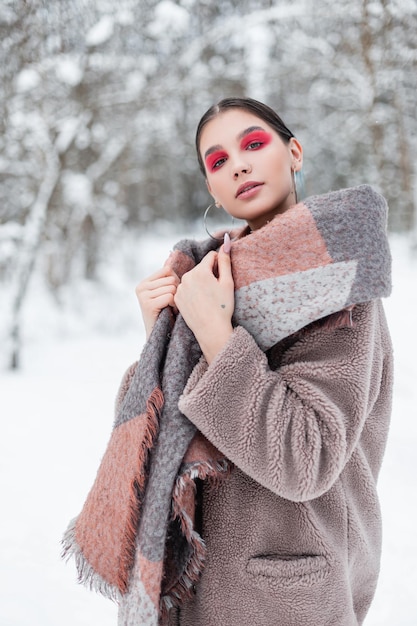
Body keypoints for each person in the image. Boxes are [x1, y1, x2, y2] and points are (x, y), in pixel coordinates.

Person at [63, 98, 393, 626]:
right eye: (216, 162)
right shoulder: (203, 275)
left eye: (254, 144)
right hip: (193, 585)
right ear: (212, 190)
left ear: (294, 152)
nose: (237, 164)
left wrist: (216, 335)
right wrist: (161, 342)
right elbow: (147, 442)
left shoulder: (339, 282)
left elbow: (304, 458)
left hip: (285, 597)